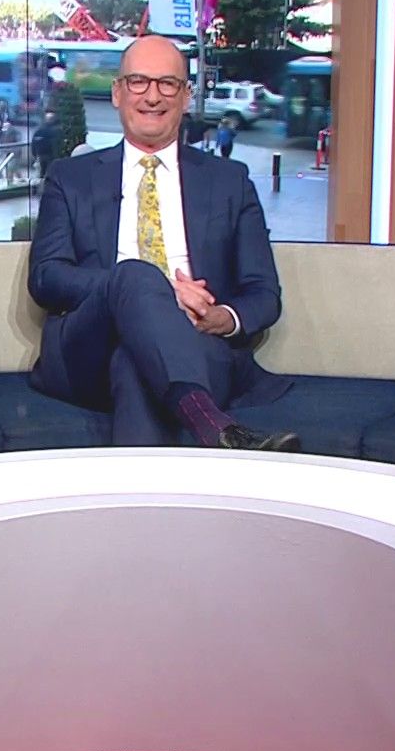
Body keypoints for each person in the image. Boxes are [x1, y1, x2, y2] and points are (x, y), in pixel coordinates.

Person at [27, 35, 297, 450]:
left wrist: (219, 316)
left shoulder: (230, 181)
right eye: (138, 81)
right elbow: (46, 277)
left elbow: (263, 294)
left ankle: (190, 441)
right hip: (89, 349)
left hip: (196, 345)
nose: (152, 96)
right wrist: (156, 291)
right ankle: (215, 425)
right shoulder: (70, 177)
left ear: (186, 96)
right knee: (135, 276)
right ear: (117, 93)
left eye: (167, 84)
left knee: (133, 363)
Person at [32, 111, 59, 182]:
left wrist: (34, 154)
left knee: (42, 172)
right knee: (50, 172)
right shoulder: (54, 131)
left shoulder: (39, 131)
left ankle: (42, 184)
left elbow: (34, 143)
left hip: (41, 155)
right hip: (50, 155)